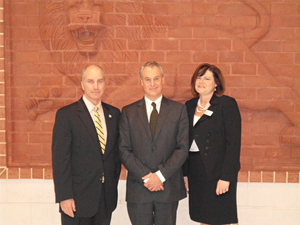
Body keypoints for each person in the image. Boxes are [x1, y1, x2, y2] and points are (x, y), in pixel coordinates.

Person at [119, 61, 189, 225]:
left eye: (156, 79)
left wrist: (160, 176)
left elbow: (182, 148)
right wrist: (147, 177)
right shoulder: (128, 112)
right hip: (139, 189)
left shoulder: (178, 110)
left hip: (168, 188)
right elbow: (123, 150)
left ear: (163, 80)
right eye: (148, 79)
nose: (152, 83)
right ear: (141, 82)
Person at [52, 65, 121, 225]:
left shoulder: (114, 114)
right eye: (90, 81)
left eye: (99, 81)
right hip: (76, 201)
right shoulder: (67, 116)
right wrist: (64, 196)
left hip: (105, 199)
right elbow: (60, 160)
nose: (95, 86)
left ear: (105, 84)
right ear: (82, 84)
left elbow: (115, 156)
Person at [183, 63, 241, 225]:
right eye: (199, 77)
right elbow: (184, 142)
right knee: (204, 218)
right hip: (196, 171)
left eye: (207, 78)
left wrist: (226, 177)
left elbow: (233, 145)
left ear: (216, 83)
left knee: (220, 218)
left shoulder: (226, 104)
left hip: (218, 172)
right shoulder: (189, 106)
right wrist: (185, 173)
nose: (201, 81)